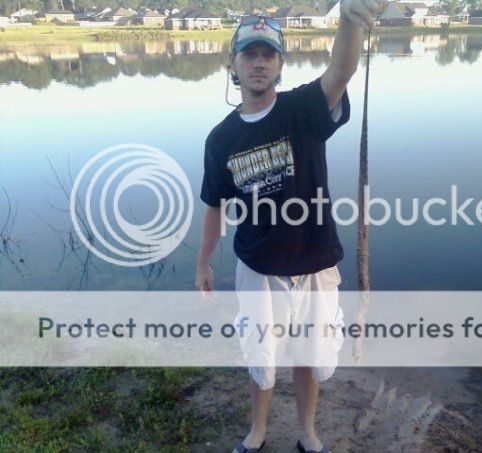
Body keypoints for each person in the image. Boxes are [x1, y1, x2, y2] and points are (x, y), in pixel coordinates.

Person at [196, 1, 382, 451]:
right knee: (262, 357)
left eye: (268, 54)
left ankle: (307, 432)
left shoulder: (303, 110)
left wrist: (349, 19)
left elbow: (341, 70)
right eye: (249, 54)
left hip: (315, 262)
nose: (259, 62)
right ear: (233, 64)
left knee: (309, 355)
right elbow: (215, 205)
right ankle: (257, 431)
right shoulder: (221, 139)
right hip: (259, 266)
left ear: (280, 64)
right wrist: (203, 262)